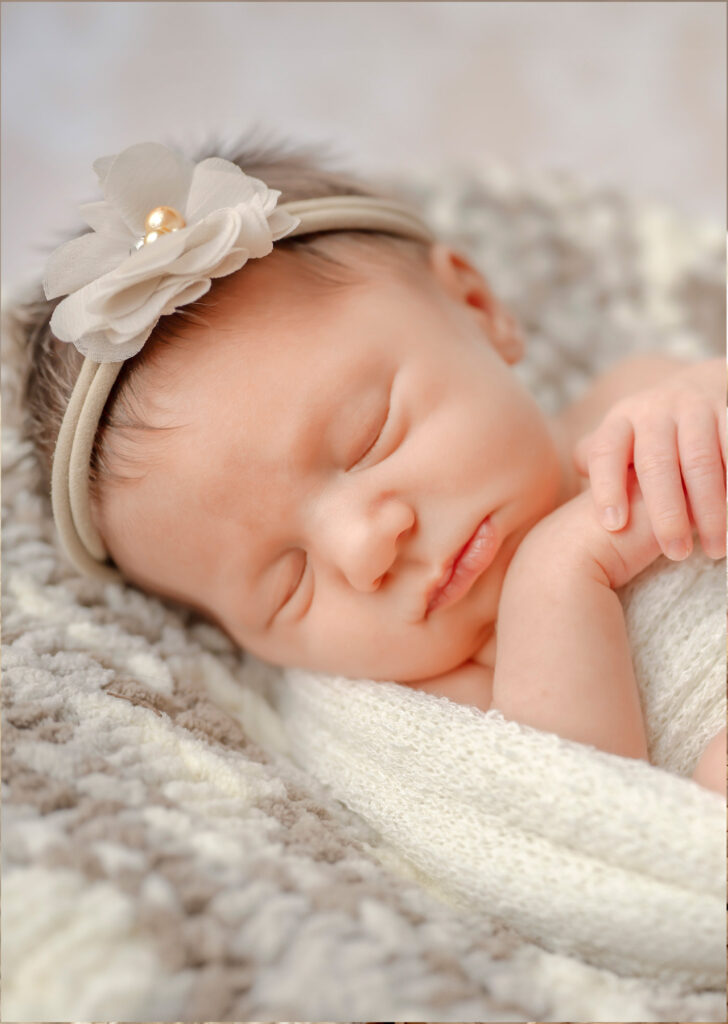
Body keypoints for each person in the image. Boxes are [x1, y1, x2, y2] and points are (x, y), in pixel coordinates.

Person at [15, 137, 726, 794]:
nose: (364, 548)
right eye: (287, 584)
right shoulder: (448, 691)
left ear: (478, 309)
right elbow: (591, 807)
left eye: (369, 439)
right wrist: (561, 569)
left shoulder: (638, 395)